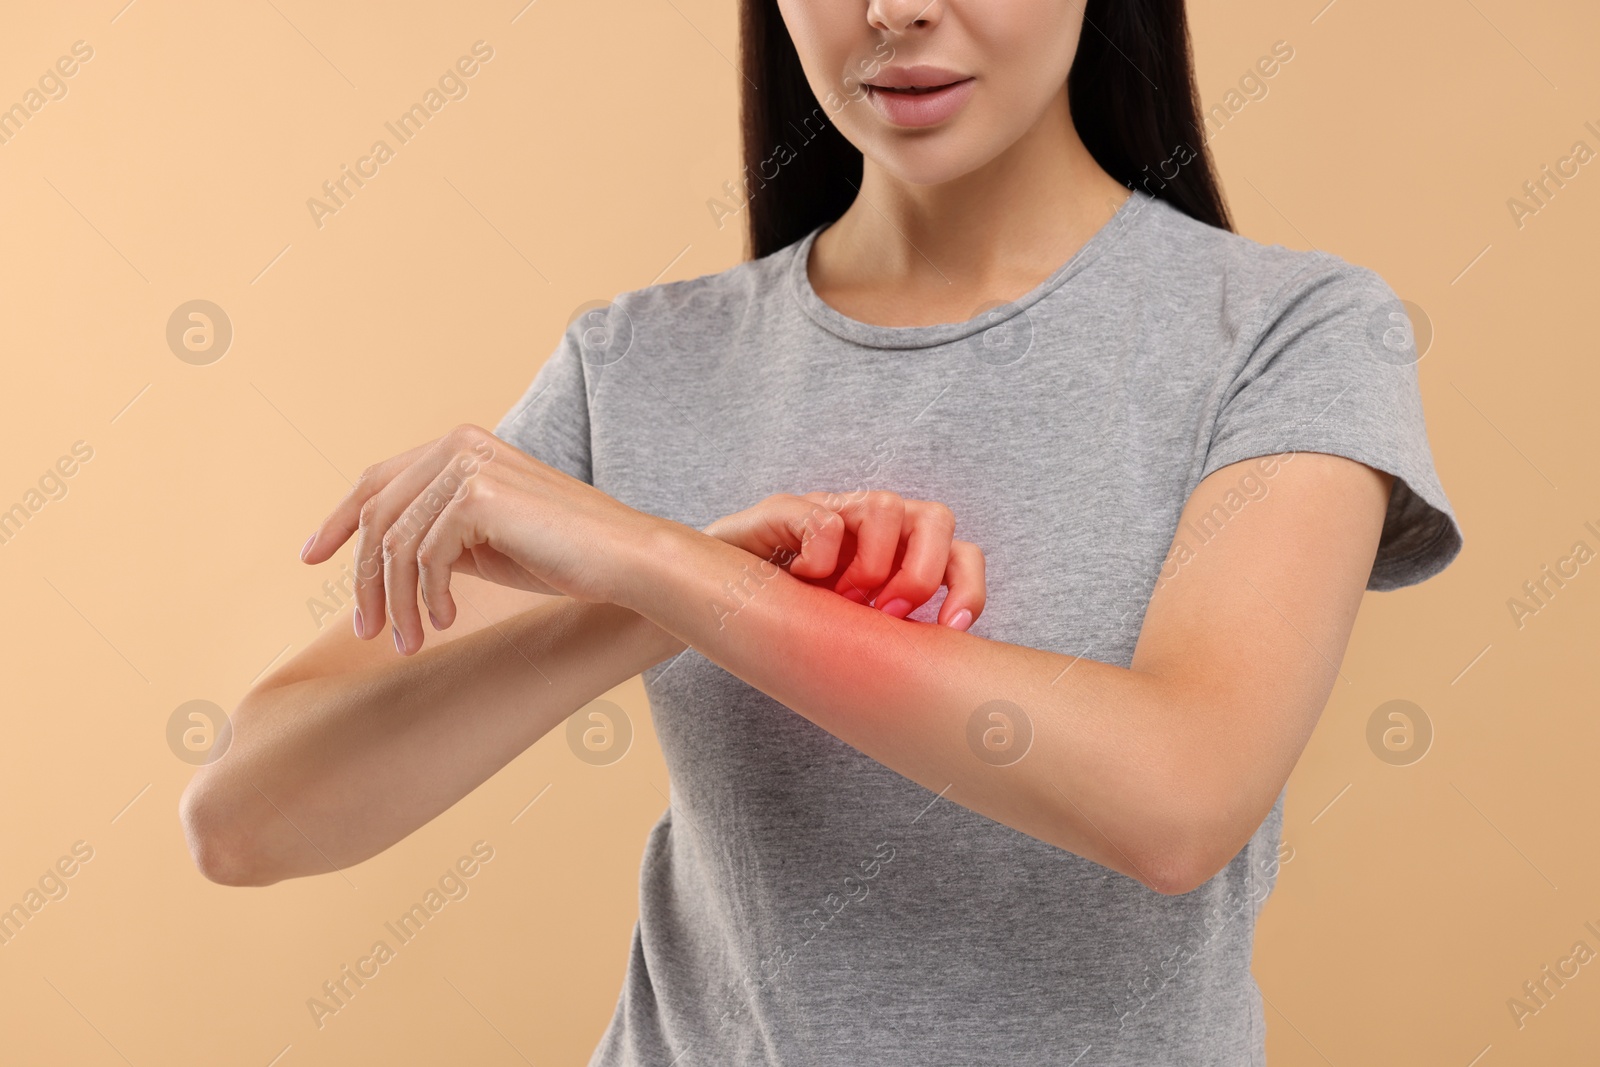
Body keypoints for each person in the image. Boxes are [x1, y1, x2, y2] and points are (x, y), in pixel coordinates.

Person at [181, 0, 1464, 1063]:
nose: (893, 10)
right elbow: (247, 817)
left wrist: (663, 561)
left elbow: (1179, 799)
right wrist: (660, 595)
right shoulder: (637, 360)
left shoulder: (1289, 331)